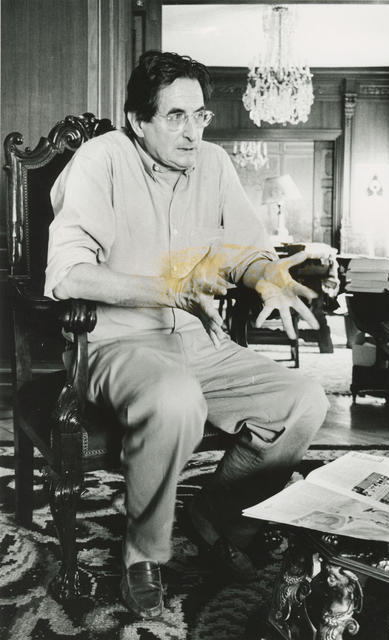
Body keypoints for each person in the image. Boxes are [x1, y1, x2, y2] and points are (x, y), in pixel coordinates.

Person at [45, 50, 331, 619]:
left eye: (200, 116)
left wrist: (265, 276)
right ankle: (143, 554)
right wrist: (168, 291)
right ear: (138, 120)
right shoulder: (100, 160)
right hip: (115, 341)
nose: (192, 131)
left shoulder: (215, 164)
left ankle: (217, 515)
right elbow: (67, 275)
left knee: (303, 399)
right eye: (175, 116)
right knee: (176, 398)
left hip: (200, 341)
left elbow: (245, 251)